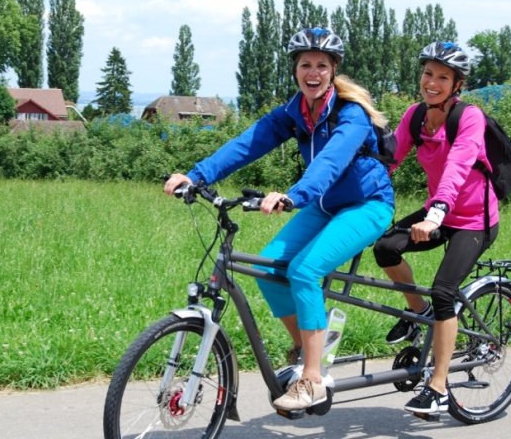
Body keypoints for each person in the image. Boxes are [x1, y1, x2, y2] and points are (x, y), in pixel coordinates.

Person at [164, 27, 394, 411]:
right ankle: (311, 349)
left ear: (333, 70)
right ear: (296, 70)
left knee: (304, 271)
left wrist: (293, 195)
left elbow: (331, 160)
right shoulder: (294, 114)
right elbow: (247, 144)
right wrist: (196, 175)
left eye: (322, 65)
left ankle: (313, 379)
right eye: (305, 64)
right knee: (272, 270)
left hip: (367, 204)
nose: (313, 72)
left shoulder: (351, 115)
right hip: (324, 205)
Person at [373, 41, 500, 417]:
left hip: (473, 220)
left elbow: (458, 167)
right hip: (436, 213)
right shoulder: (416, 116)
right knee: (384, 248)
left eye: (443, 77)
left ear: (457, 84)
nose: (432, 82)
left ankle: (439, 386)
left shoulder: (469, 117)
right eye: (428, 73)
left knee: (445, 290)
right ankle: (417, 312)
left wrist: (437, 213)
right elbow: (388, 161)